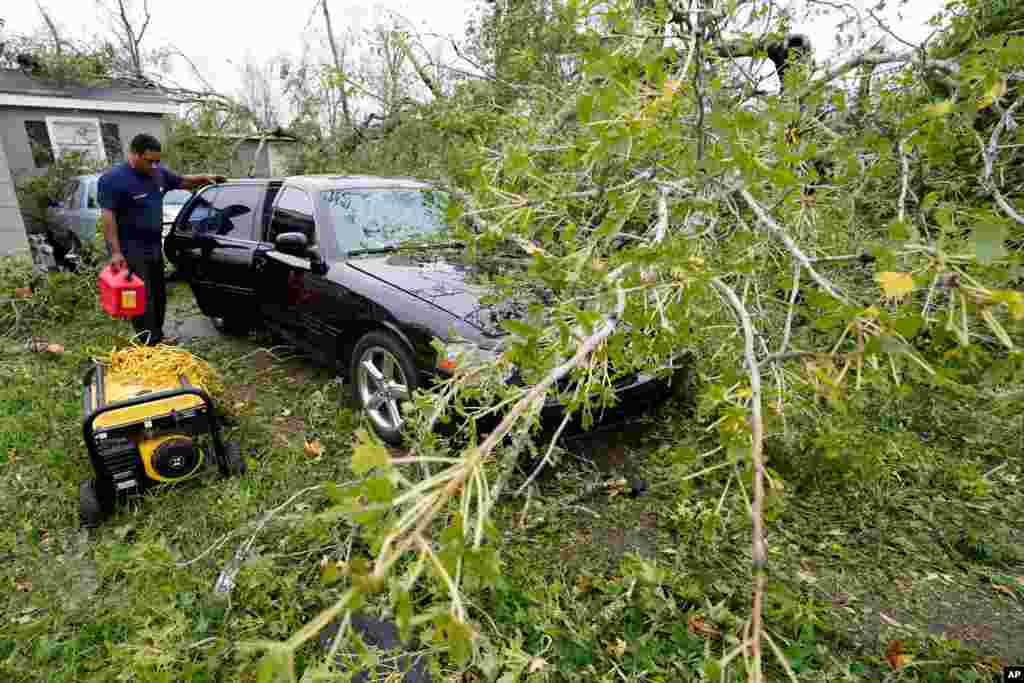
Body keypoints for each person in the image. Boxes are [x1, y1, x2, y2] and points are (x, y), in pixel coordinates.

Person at [98, 134, 226, 345]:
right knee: (140, 297)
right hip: (130, 249)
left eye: (157, 161)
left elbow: (182, 181)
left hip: (154, 245)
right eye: (149, 160)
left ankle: (157, 335)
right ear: (134, 154)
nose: (154, 165)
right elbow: (108, 217)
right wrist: (115, 252)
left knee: (158, 293)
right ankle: (147, 342)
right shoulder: (113, 180)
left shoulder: (157, 173)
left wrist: (206, 178)